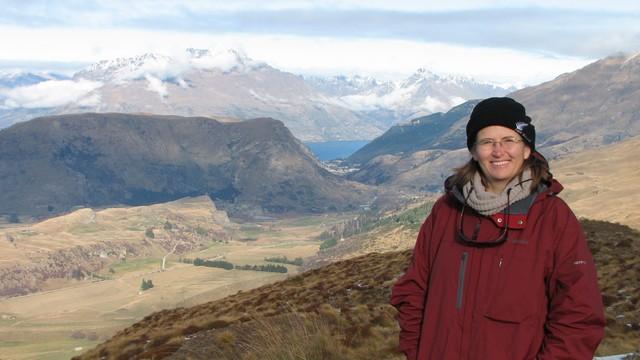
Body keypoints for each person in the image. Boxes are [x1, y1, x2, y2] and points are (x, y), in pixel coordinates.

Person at [390, 97, 605, 360]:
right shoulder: (446, 212)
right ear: (473, 151)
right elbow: (414, 291)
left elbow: (579, 315)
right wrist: (417, 352)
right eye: (487, 142)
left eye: (509, 140)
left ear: (527, 149)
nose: (498, 151)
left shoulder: (552, 218)